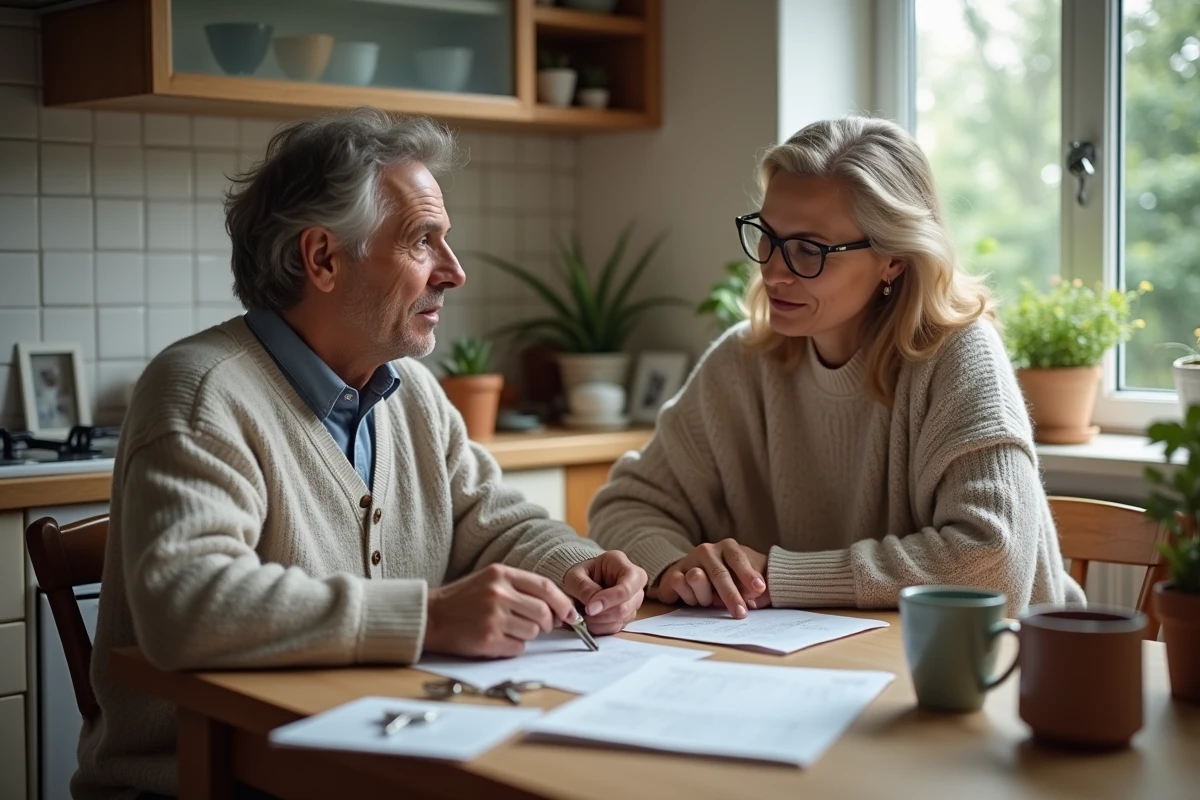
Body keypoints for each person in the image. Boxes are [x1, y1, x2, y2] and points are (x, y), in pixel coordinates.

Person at [76, 109, 647, 800]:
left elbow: (492, 523)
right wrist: (431, 618)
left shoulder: (414, 391)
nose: (454, 272)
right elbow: (190, 606)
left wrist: (575, 569)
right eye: (422, 242)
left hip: (371, 758)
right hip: (208, 780)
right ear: (322, 258)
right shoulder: (202, 391)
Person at [589, 116, 1083, 620]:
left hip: (1006, 673)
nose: (774, 271)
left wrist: (776, 577)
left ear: (892, 258)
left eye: (809, 249)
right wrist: (675, 566)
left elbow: (992, 561)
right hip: (818, 662)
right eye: (768, 235)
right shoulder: (741, 363)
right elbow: (624, 505)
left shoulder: (957, 357)